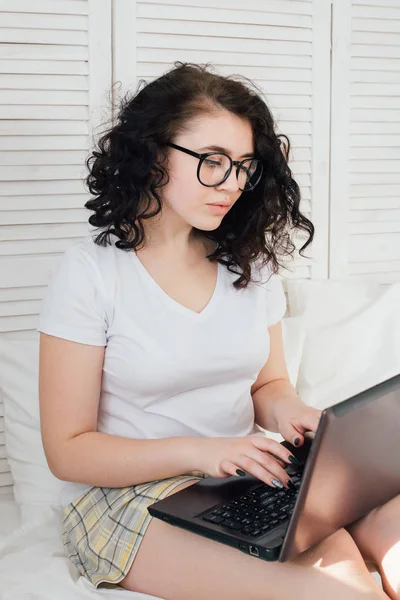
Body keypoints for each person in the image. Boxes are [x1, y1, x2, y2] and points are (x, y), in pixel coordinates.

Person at [38, 62, 399, 600]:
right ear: (154, 152)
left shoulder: (248, 264)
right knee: (341, 588)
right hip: (131, 496)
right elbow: (68, 450)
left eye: (244, 167)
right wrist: (202, 451)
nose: (231, 184)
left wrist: (294, 415)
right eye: (213, 162)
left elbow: (266, 387)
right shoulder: (92, 273)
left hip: (240, 478)